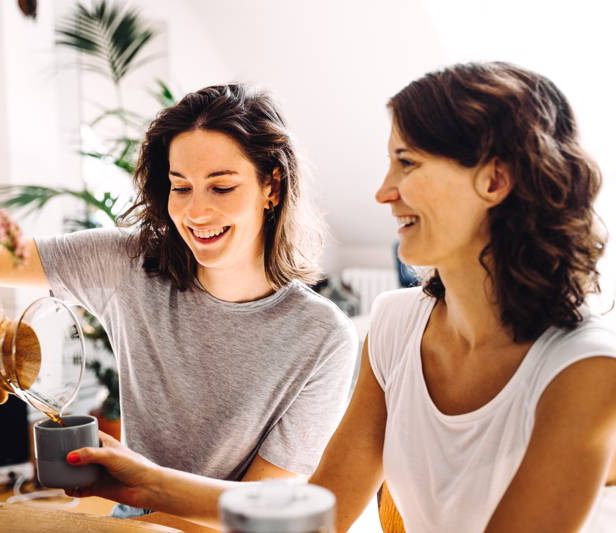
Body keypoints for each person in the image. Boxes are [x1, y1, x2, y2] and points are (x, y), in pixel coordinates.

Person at [60, 62, 616, 533]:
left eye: (408, 162)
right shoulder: (398, 324)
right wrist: (143, 480)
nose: (382, 190)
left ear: (494, 181)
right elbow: (320, 507)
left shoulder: (584, 367)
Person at [0, 85, 358, 517]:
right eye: (181, 187)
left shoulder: (322, 337)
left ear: (271, 186)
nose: (195, 213)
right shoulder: (129, 263)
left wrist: (141, 490)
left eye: (221, 187)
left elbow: (256, 514)